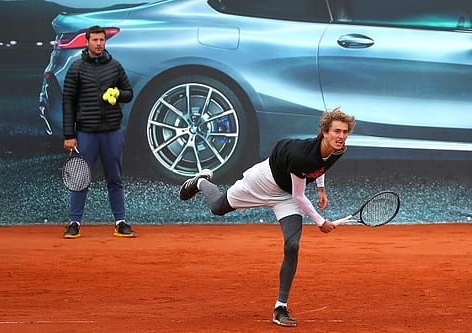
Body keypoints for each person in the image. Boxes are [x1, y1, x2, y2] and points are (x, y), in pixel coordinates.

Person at [179, 108, 355, 327]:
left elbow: (321, 166)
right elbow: (300, 195)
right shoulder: (302, 157)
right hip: (262, 181)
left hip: (287, 195)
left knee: (292, 246)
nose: (341, 136)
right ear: (324, 132)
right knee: (217, 207)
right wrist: (320, 222)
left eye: (345, 132)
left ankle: (280, 307)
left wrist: (320, 189)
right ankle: (201, 182)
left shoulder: (339, 149)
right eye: (337, 131)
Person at [62, 25, 136, 239]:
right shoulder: (76, 68)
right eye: (94, 40)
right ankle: (74, 223)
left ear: (105, 42)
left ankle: (120, 222)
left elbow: (129, 93)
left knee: (115, 179)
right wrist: (69, 135)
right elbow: (68, 102)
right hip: (86, 133)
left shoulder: (115, 66)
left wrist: (118, 93)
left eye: (102, 40)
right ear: (87, 42)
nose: (98, 44)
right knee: (80, 179)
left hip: (112, 132)